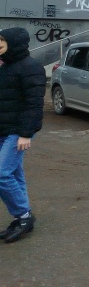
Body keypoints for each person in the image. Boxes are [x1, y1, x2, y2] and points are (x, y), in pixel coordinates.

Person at [0, 28, 46, 244]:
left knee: (2, 174)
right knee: (14, 174)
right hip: (3, 129)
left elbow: (34, 104)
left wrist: (26, 134)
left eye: (2, 41)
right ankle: (22, 217)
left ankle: (24, 216)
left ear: (14, 43)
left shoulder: (31, 67)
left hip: (18, 132)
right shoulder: (5, 66)